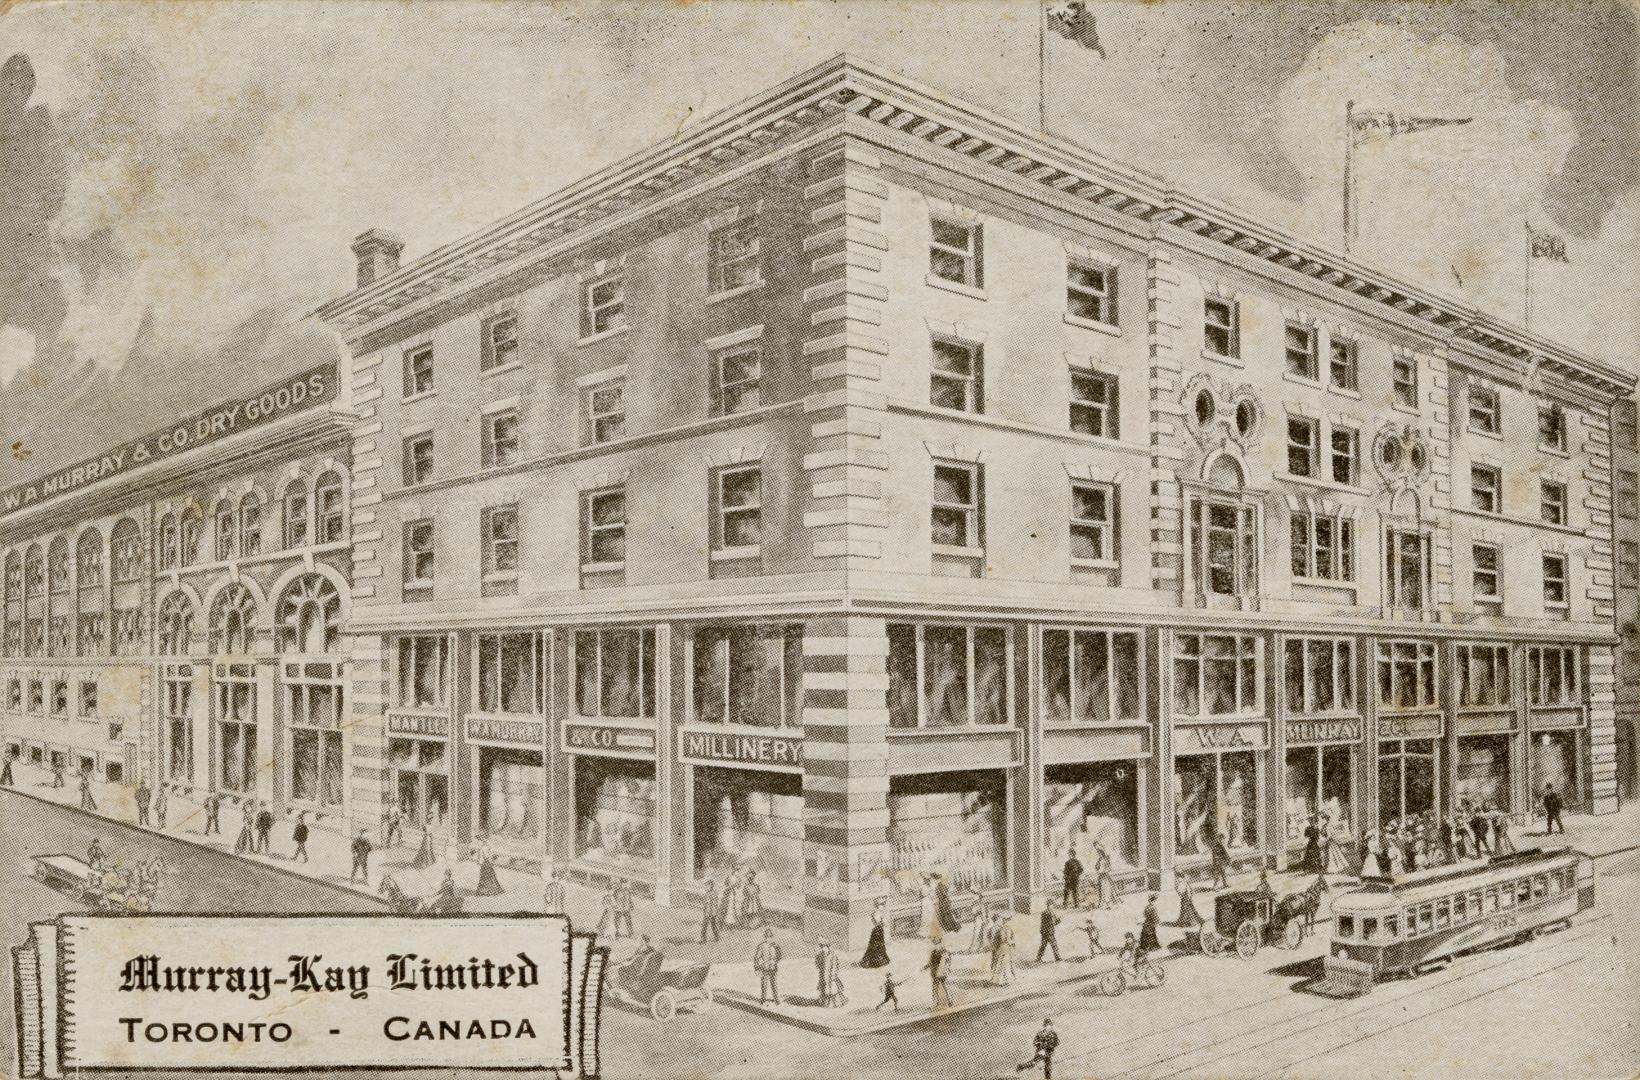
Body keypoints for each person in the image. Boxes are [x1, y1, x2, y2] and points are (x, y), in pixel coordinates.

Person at [753, 928, 781, 1005]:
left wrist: (775, 961)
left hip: (773, 968)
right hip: (764, 968)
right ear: (764, 937)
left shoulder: (775, 946)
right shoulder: (761, 946)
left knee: (774, 984)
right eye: (766, 937)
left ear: (772, 937)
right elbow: (757, 957)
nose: (768, 939)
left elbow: (779, 956)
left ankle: (776, 999)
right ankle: (763, 999)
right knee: (764, 984)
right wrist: (757, 967)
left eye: (769, 937)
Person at [861, 896, 890, 968]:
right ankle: (874, 962)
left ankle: (878, 961)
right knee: (875, 946)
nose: (883, 907)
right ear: (878, 906)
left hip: (878, 930)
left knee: (878, 945)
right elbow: (880, 922)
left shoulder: (878, 912)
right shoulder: (877, 913)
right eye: (882, 905)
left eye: (883, 905)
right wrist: (883, 921)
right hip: (877, 930)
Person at [991, 914, 1017, 985]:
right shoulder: (1005, 929)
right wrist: (1011, 944)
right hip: (1005, 948)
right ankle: (1004, 980)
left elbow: (997, 941)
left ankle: (1001, 980)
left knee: (1002, 964)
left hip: (1001, 948)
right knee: (1004, 964)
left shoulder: (1002, 929)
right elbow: (1006, 940)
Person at [815, 940, 843, 1007]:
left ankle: (835, 1003)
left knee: (833, 989)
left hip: (831, 975)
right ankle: (824, 1003)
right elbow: (817, 964)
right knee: (824, 989)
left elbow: (835, 966)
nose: (823, 949)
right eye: (821, 947)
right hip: (823, 975)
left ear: (828, 947)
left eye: (824, 947)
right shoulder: (820, 955)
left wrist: (833, 974)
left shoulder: (833, 956)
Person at [926, 942, 953, 1009]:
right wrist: (925, 967)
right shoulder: (933, 952)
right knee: (935, 988)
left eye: (938, 944)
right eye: (935, 944)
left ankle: (950, 1001)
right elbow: (930, 963)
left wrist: (946, 970)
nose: (936, 946)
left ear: (941, 944)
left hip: (942, 973)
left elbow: (948, 963)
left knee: (945, 986)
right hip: (935, 973)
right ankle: (935, 1003)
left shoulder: (945, 953)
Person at [1092, 841, 1117, 909]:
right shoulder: (1099, 860)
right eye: (1098, 852)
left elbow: (1108, 868)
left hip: (1105, 876)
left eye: (1099, 852)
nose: (1099, 853)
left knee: (1107, 890)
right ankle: (1102, 903)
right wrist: (1098, 870)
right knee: (1101, 890)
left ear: (1102, 852)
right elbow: (1096, 867)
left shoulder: (1106, 859)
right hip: (1101, 876)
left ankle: (1107, 904)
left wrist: (1103, 871)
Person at [1206, 825, 1231, 889]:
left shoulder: (1222, 845)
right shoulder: (1217, 846)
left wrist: (1228, 860)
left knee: (1223, 874)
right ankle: (1215, 886)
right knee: (1217, 875)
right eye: (1221, 839)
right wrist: (1227, 859)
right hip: (1218, 862)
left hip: (1222, 862)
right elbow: (1215, 855)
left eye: (1223, 839)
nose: (1223, 841)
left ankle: (1225, 884)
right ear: (1219, 839)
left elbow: (1226, 854)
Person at [1137, 894, 1161, 958]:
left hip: (1146, 922)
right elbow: (1155, 916)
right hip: (1151, 923)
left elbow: (1144, 914)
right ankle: (1151, 947)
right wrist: (1157, 921)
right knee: (1151, 934)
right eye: (1154, 900)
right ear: (1153, 901)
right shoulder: (1153, 908)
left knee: (1145, 934)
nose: (1154, 902)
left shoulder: (1147, 907)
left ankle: (1144, 946)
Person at [700, 878, 722, 942]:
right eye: (706, 885)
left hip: (713, 911)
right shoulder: (707, 893)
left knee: (713, 924)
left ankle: (717, 937)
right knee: (705, 924)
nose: (706, 887)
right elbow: (705, 903)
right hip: (707, 911)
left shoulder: (714, 893)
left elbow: (716, 903)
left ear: (711, 886)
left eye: (708, 885)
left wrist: (716, 911)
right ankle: (703, 938)